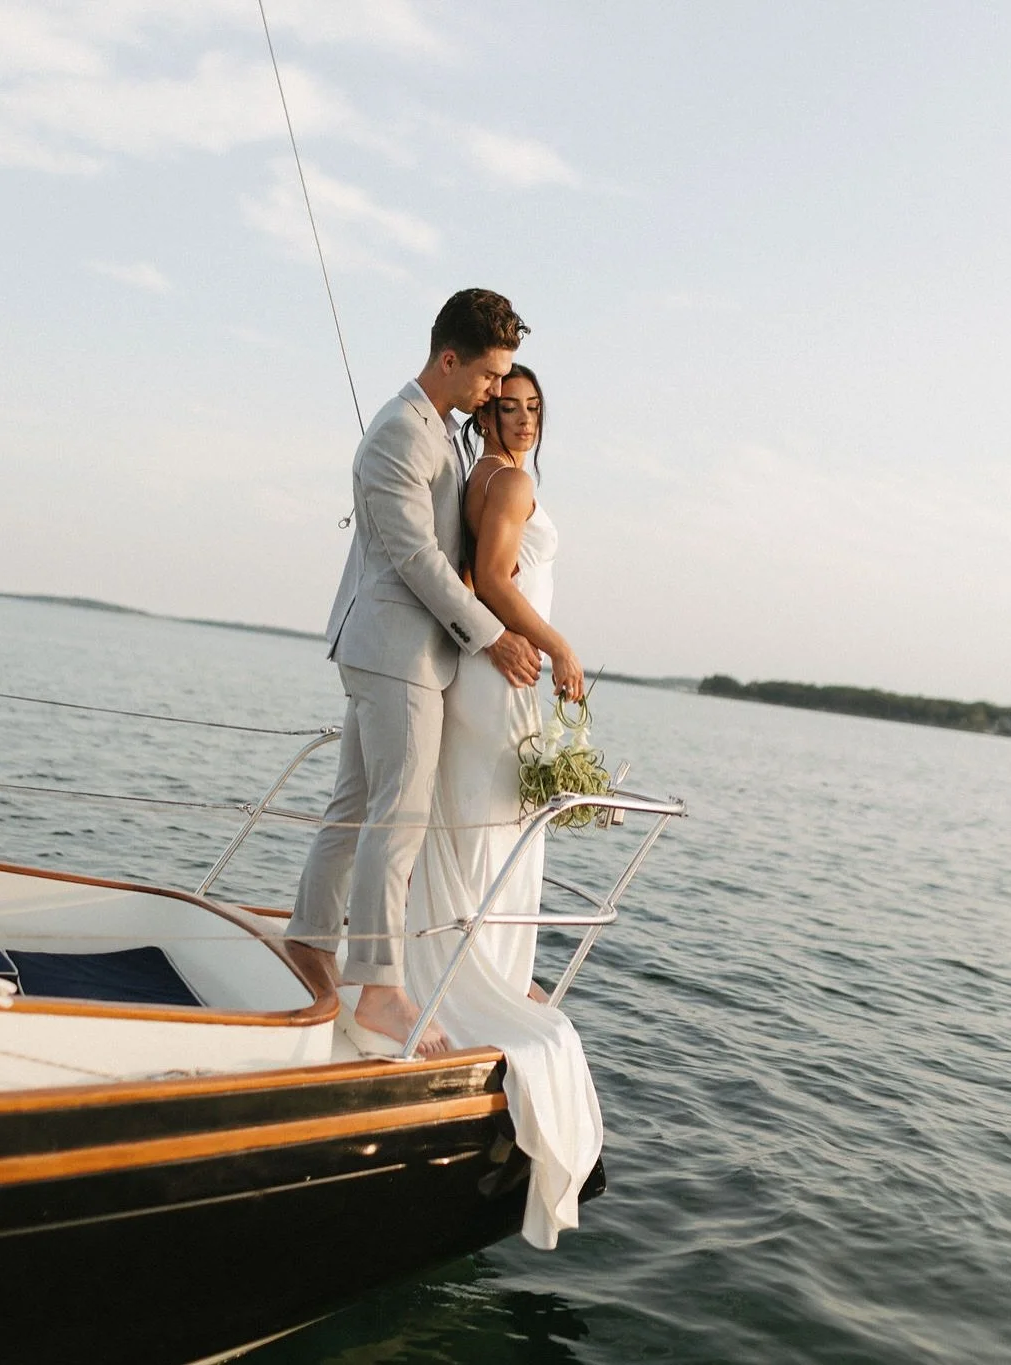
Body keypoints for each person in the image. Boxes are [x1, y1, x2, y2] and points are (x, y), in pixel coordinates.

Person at [287, 289, 561, 1057]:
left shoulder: (437, 432)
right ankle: (378, 988)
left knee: (354, 802)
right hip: (397, 652)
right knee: (398, 816)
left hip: (397, 649)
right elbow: (414, 558)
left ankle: (311, 934)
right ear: (449, 359)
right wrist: (492, 635)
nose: (493, 395)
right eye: (487, 378)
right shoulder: (400, 434)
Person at [404, 365, 603, 1249]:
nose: (522, 419)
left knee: (474, 827)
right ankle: (478, 975)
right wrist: (558, 645)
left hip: (483, 673)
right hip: (507, 665)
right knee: (496, 831)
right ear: (485, 408)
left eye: (533, 408)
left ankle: (471, 959)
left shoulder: (480, 472)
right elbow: (489, 577)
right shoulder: (511, 479)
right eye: (508, 404)